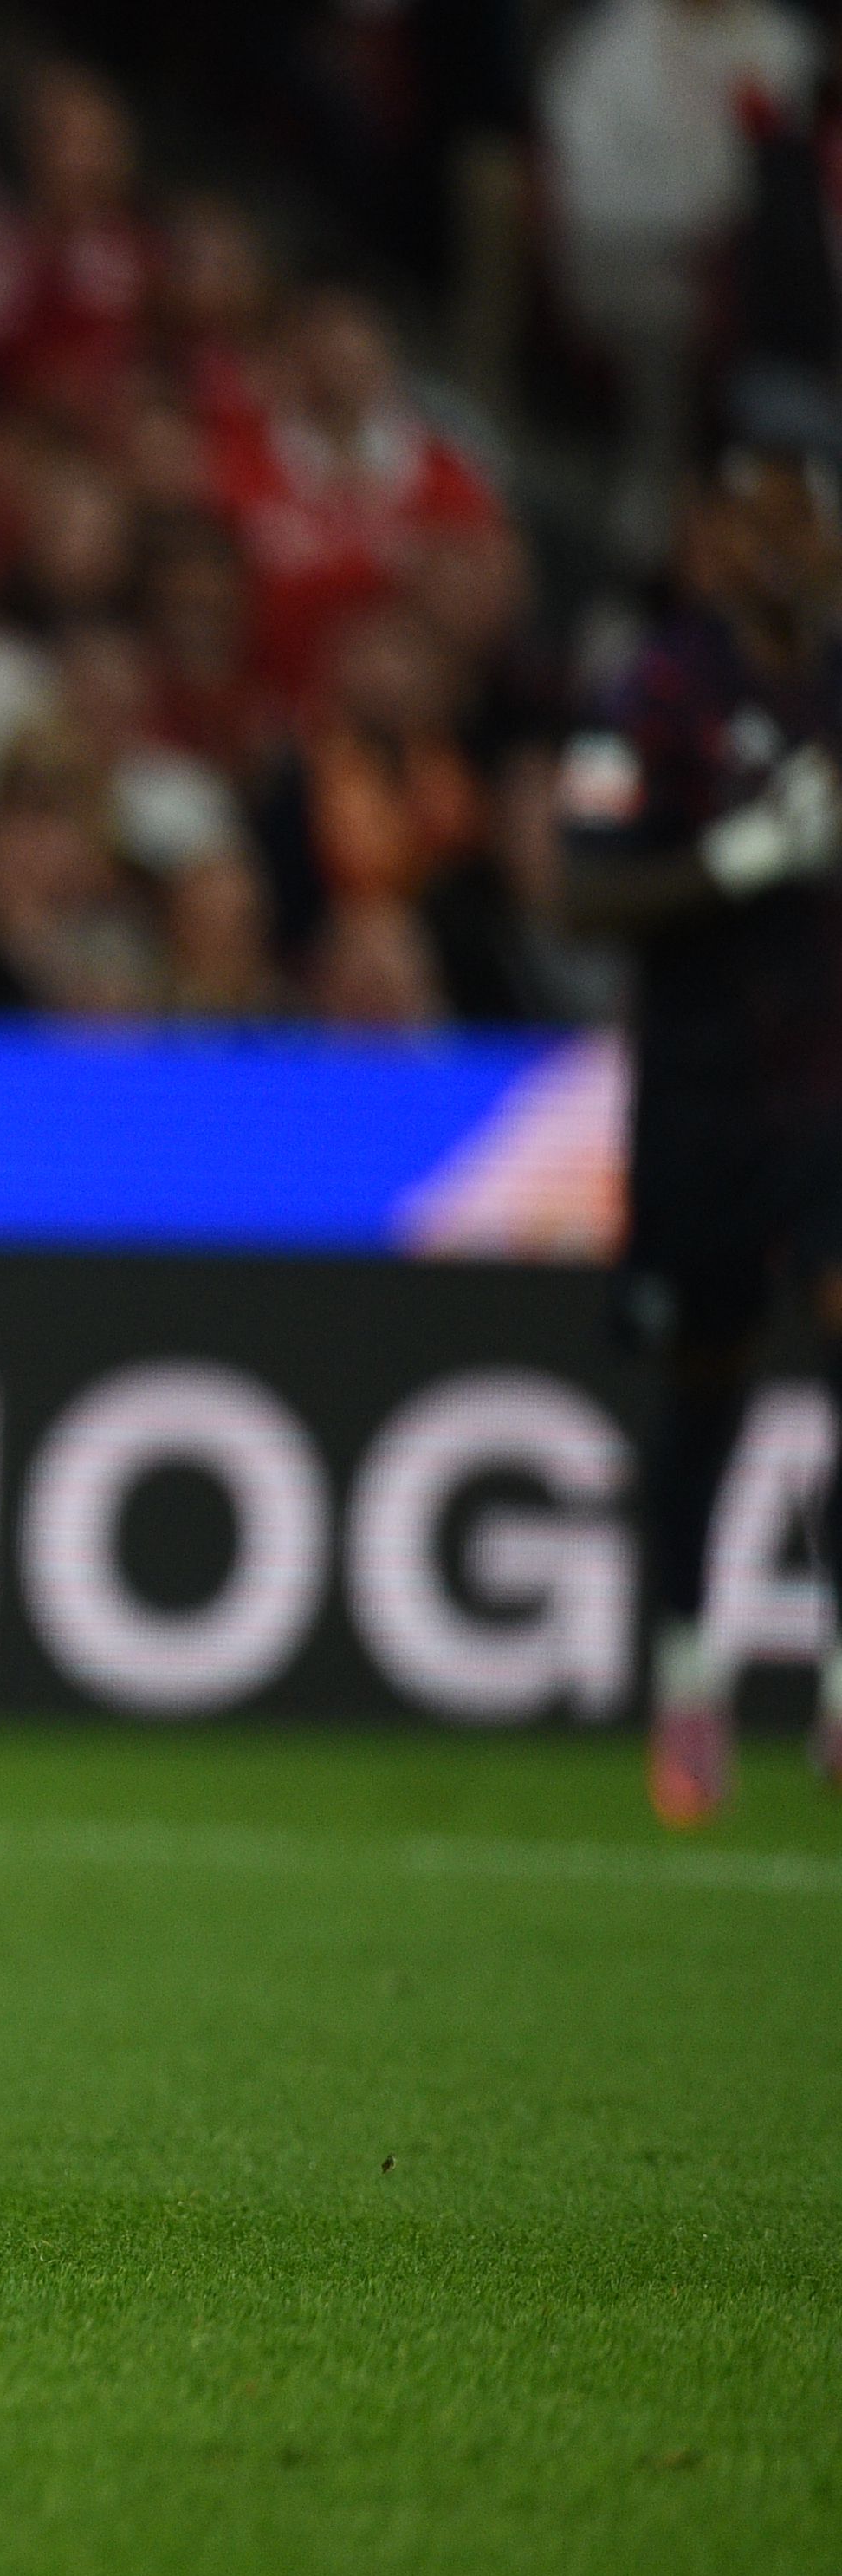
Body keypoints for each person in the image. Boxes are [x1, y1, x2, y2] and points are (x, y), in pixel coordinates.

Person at [555, 429, 842, 1825]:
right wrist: (744, 857)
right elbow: (584, 898)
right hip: (704, 1093)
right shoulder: (658, 689)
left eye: (800, 521)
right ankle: (687, 1674)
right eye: (750, 523)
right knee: (705, 1386)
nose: (774, 548)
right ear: (714, 542)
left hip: (833, 1095)